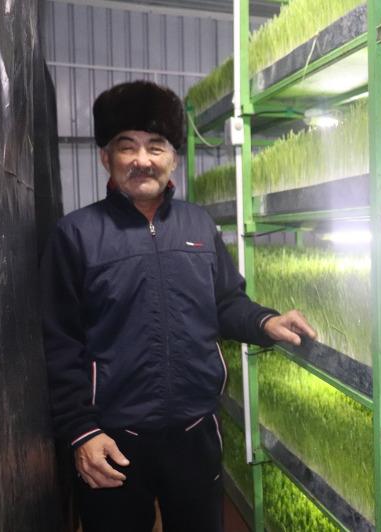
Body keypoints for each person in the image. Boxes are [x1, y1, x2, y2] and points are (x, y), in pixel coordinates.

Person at [41, 80, 316, 532]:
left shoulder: (198, 224)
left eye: (156, 146)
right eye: (126, 147)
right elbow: (60, 343)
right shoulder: (76, 235)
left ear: (174, 158)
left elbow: (225, 302)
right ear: (104, 157)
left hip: (195, 433)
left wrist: (266, 321)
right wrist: (82, 431)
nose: (142, 160)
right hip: (114, 439)